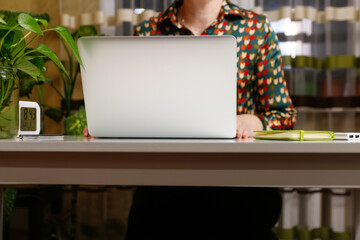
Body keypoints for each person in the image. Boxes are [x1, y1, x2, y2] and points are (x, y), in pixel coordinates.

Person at [126, 0, 296, 239]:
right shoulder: (148, 31)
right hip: (165, 177)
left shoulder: (256, 28)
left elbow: (283, 115)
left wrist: (253, 122)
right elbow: (135, 109)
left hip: (238, 178)